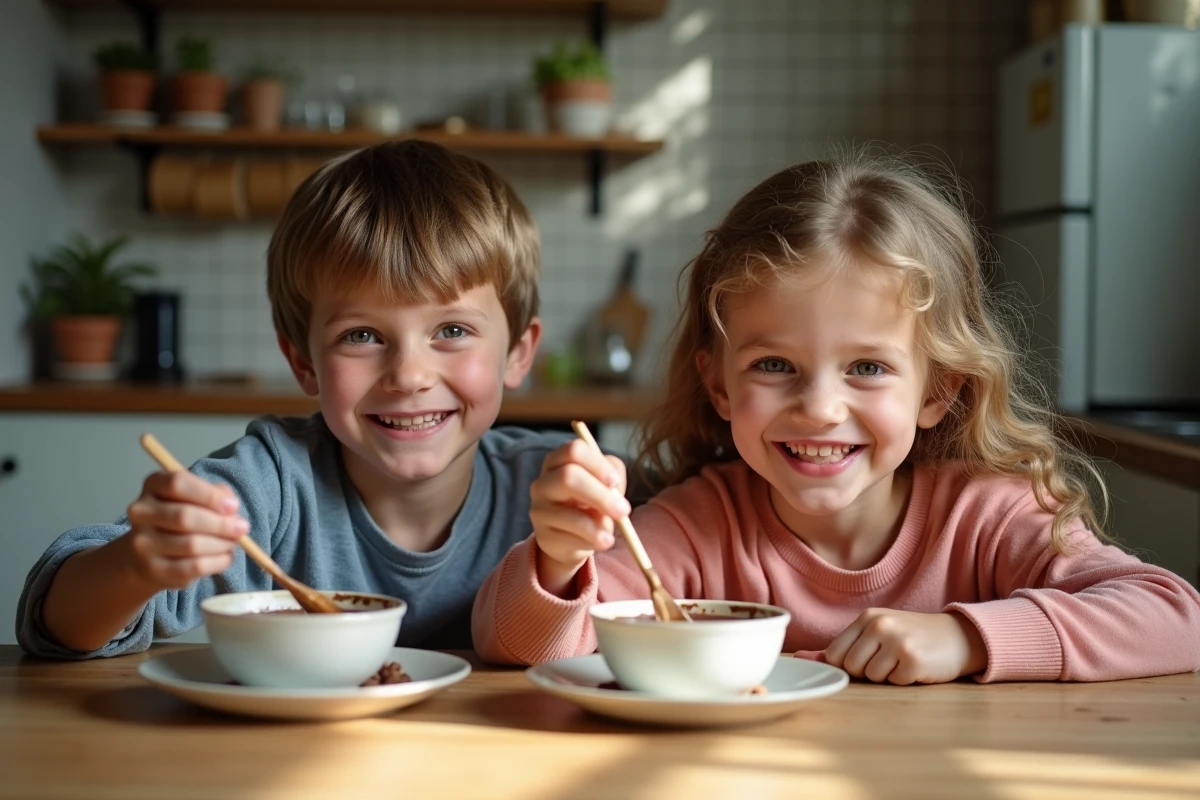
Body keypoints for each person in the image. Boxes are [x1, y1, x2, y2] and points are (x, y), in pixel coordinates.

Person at [473, 148, 1200, 684]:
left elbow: (1176, 616)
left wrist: (967, 639)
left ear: (937, 391)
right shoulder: (698, 527)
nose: (820, 408)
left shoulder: (986, 517)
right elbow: (517, 645)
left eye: (868, 368)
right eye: (773, 365)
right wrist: (558, 560)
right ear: (718, 385)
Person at [17, 140, 591, 657]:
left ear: (518, 352)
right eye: (361, 336)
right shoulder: (269, 486)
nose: (409, 376)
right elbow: (53, 623)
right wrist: (136, 564)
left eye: (453, 330)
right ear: (303, 362)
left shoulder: (560, 489)